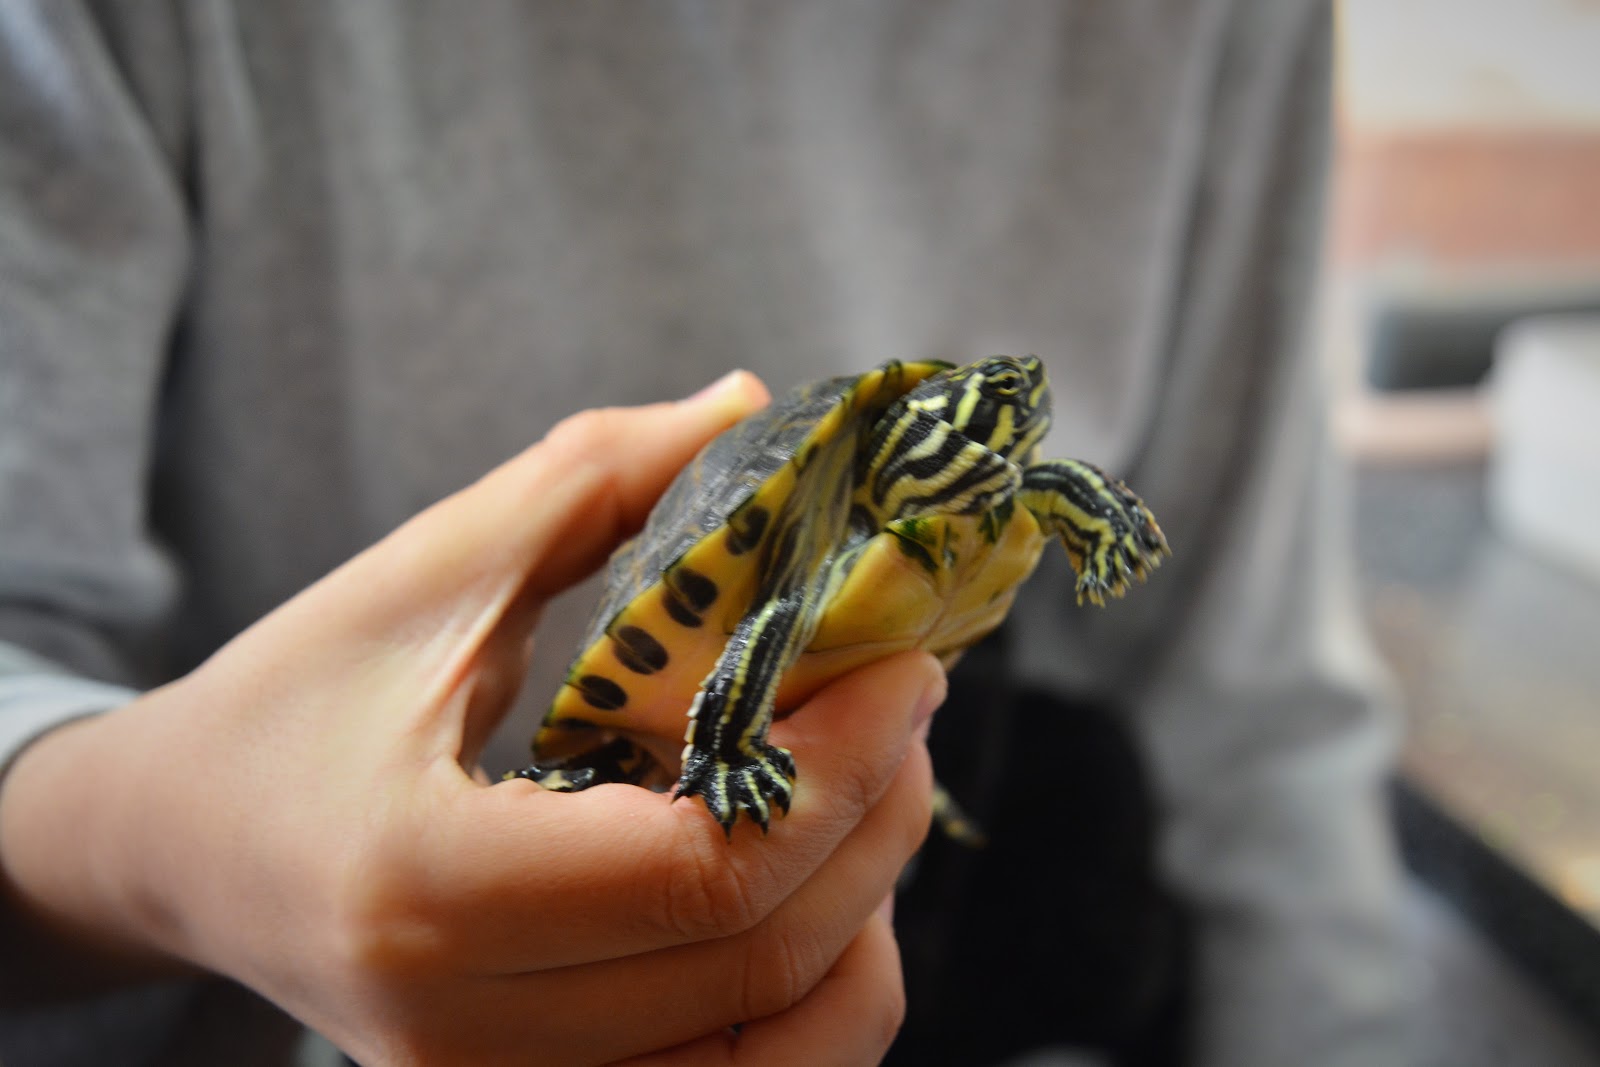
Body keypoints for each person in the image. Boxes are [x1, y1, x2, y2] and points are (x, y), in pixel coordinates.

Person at [0, 3, 1410, 1065]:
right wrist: (173, 854)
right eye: (979, 415)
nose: (1007, 428)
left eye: (1008, 417)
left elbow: (1244, 709)